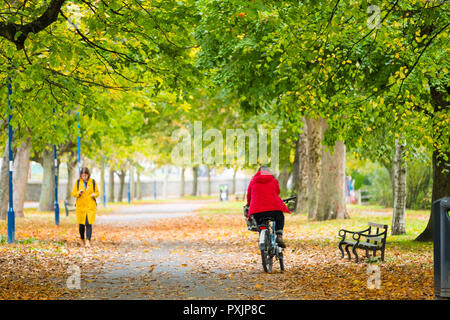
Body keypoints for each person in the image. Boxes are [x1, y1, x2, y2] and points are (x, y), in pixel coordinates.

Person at [246, 166, 290, 248]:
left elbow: (249, 196)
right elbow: (277, 191)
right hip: (273, 209)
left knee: (259, 222)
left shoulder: (253, 181)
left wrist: (249, 204)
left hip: (257, 210)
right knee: (280, 217)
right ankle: (279, 235)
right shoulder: (273, 180)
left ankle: (261, 237)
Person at [72, 167, 99, 247]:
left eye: (85, 175)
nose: (84, 177)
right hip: (81, 207)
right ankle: (82, 239)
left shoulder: (93, 182)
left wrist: (95, 194)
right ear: (81, 175)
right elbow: (73, 193)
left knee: (89, 224)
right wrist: (78, 193)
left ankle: (88, 241)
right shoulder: (77, 182)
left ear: (88, 175)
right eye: (83, 175)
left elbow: (97, 192)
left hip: (90, 207)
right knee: (81, 225)